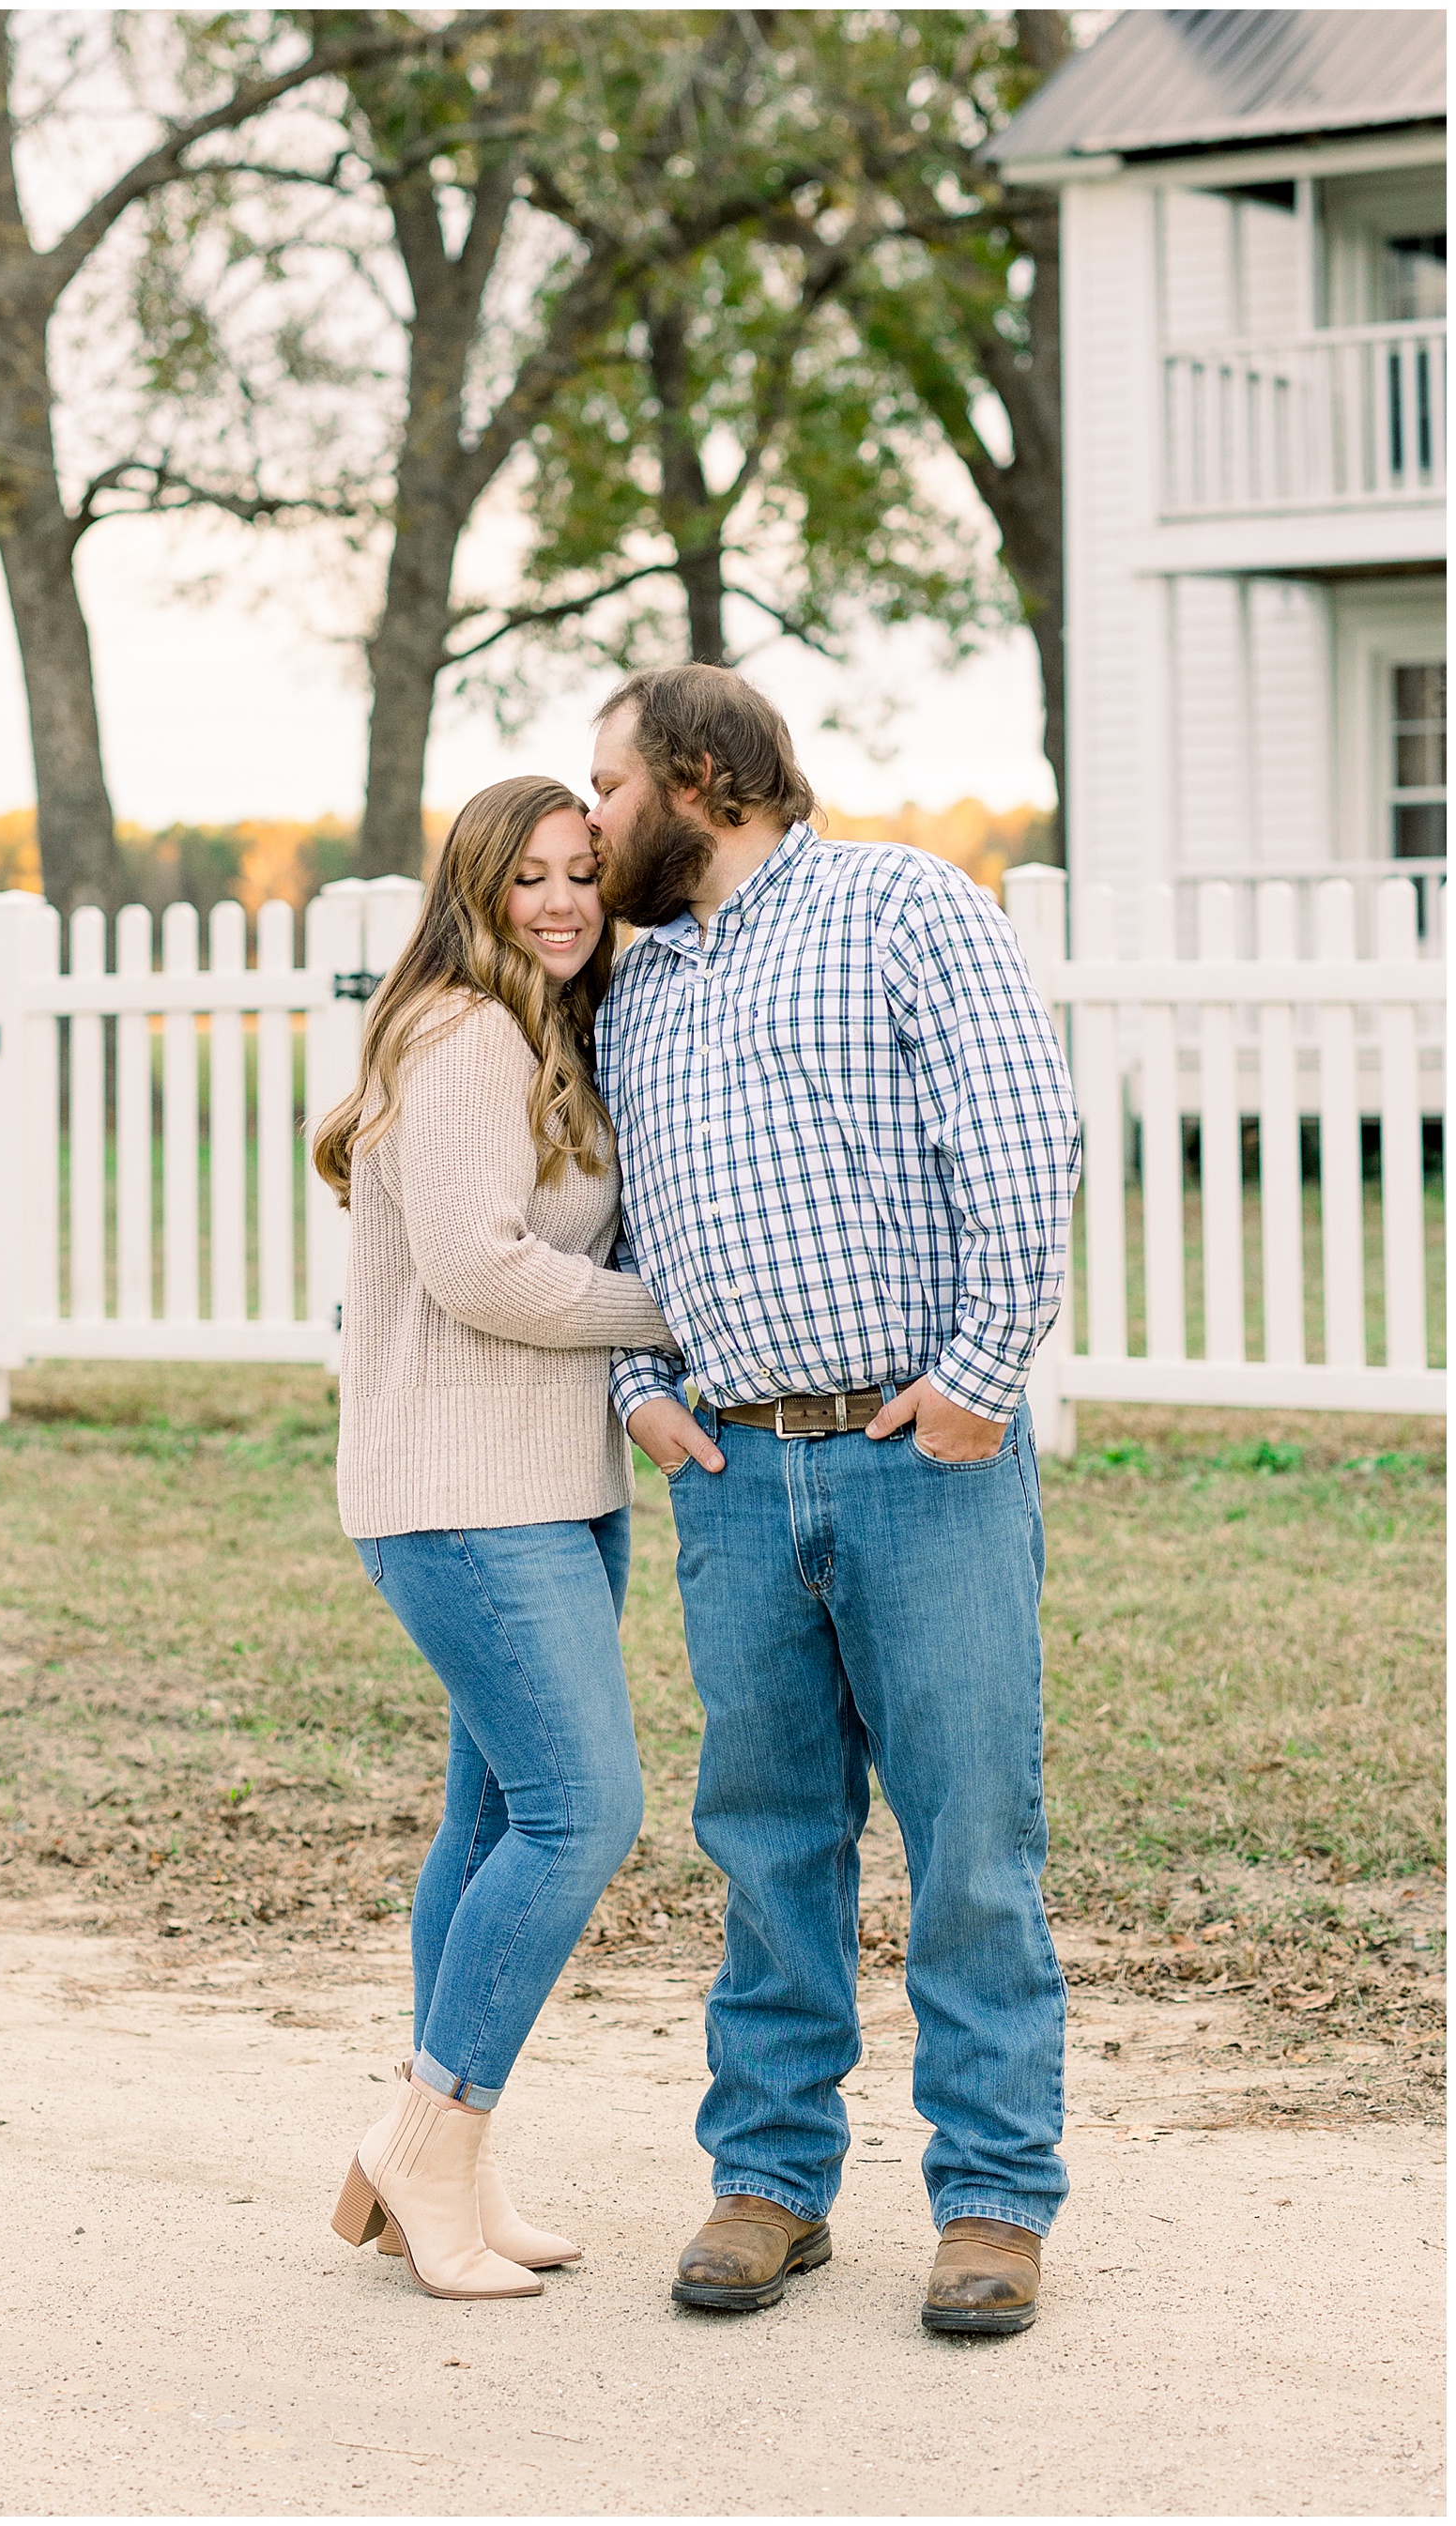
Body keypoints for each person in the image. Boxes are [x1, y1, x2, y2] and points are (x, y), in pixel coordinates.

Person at [590, 664, 1081, 2336]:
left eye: (609, 788)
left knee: (967, 1840)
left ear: (703, 775)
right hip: (731, 1473)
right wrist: (641, 1392)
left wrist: (978, 1381)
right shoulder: (639, 984)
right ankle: (771, 2182)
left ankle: (995, 2200)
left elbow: (1023, 1144)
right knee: (768, 1838)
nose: (590, 826)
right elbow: (620, 1226)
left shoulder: (900, 906)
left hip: (916, 1458)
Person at [315, 774, 679, 2303]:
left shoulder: (546, 1036)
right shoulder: (464, 1033)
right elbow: (484, 1271)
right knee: (582, 1811)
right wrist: (685, 1313)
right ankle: (428, 2130)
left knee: (486, 1829)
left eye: (583, 871)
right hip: (463, 1499)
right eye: (527, 874)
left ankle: (444, 2167)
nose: (560, 899)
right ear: (473, 888)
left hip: (552, 1485)